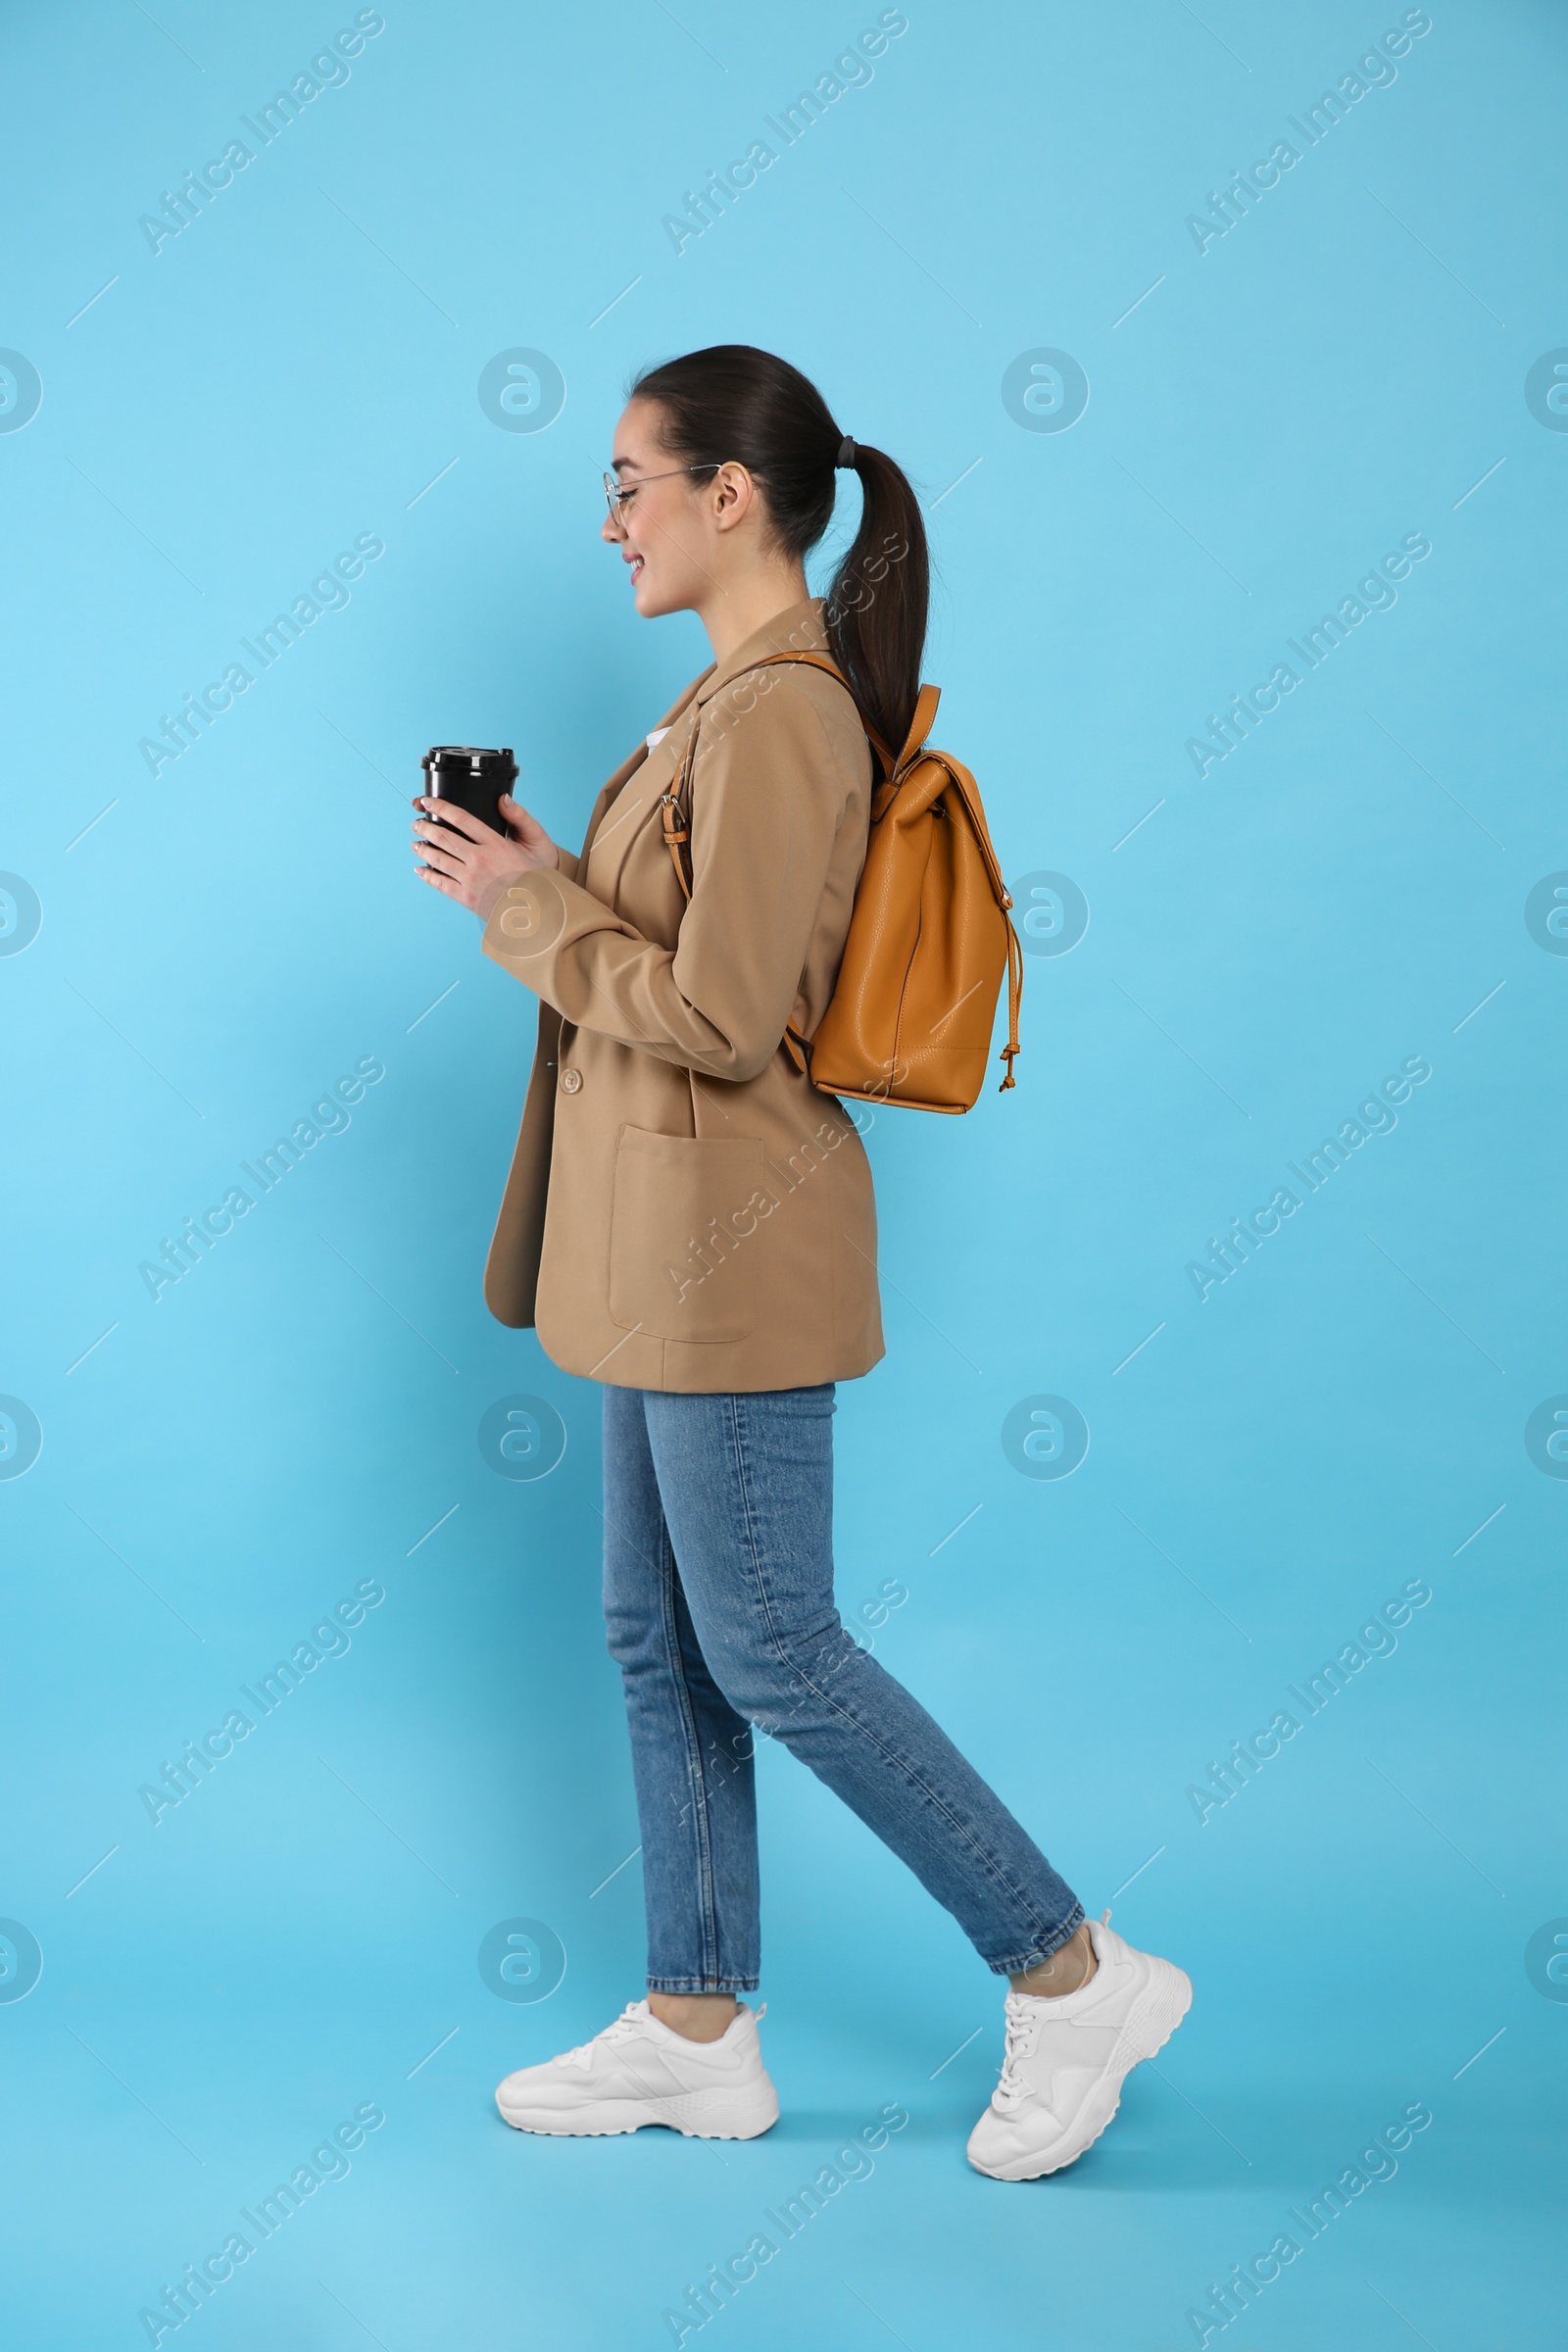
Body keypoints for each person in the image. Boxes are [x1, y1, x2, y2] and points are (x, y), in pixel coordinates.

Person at [411, 344, 1190, 2179]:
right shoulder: (713, 712)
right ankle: (697, 2026)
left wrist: (522, 917)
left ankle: (1072, 1973)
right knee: (656, 1638)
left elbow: (721, 1012)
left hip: (726, 1253)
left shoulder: (780, 717)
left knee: (774, 1645)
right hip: (645, 1252)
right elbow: (676, 952)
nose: (610, 521)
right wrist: (548, 872)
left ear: (727, 496)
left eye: (627, 484)